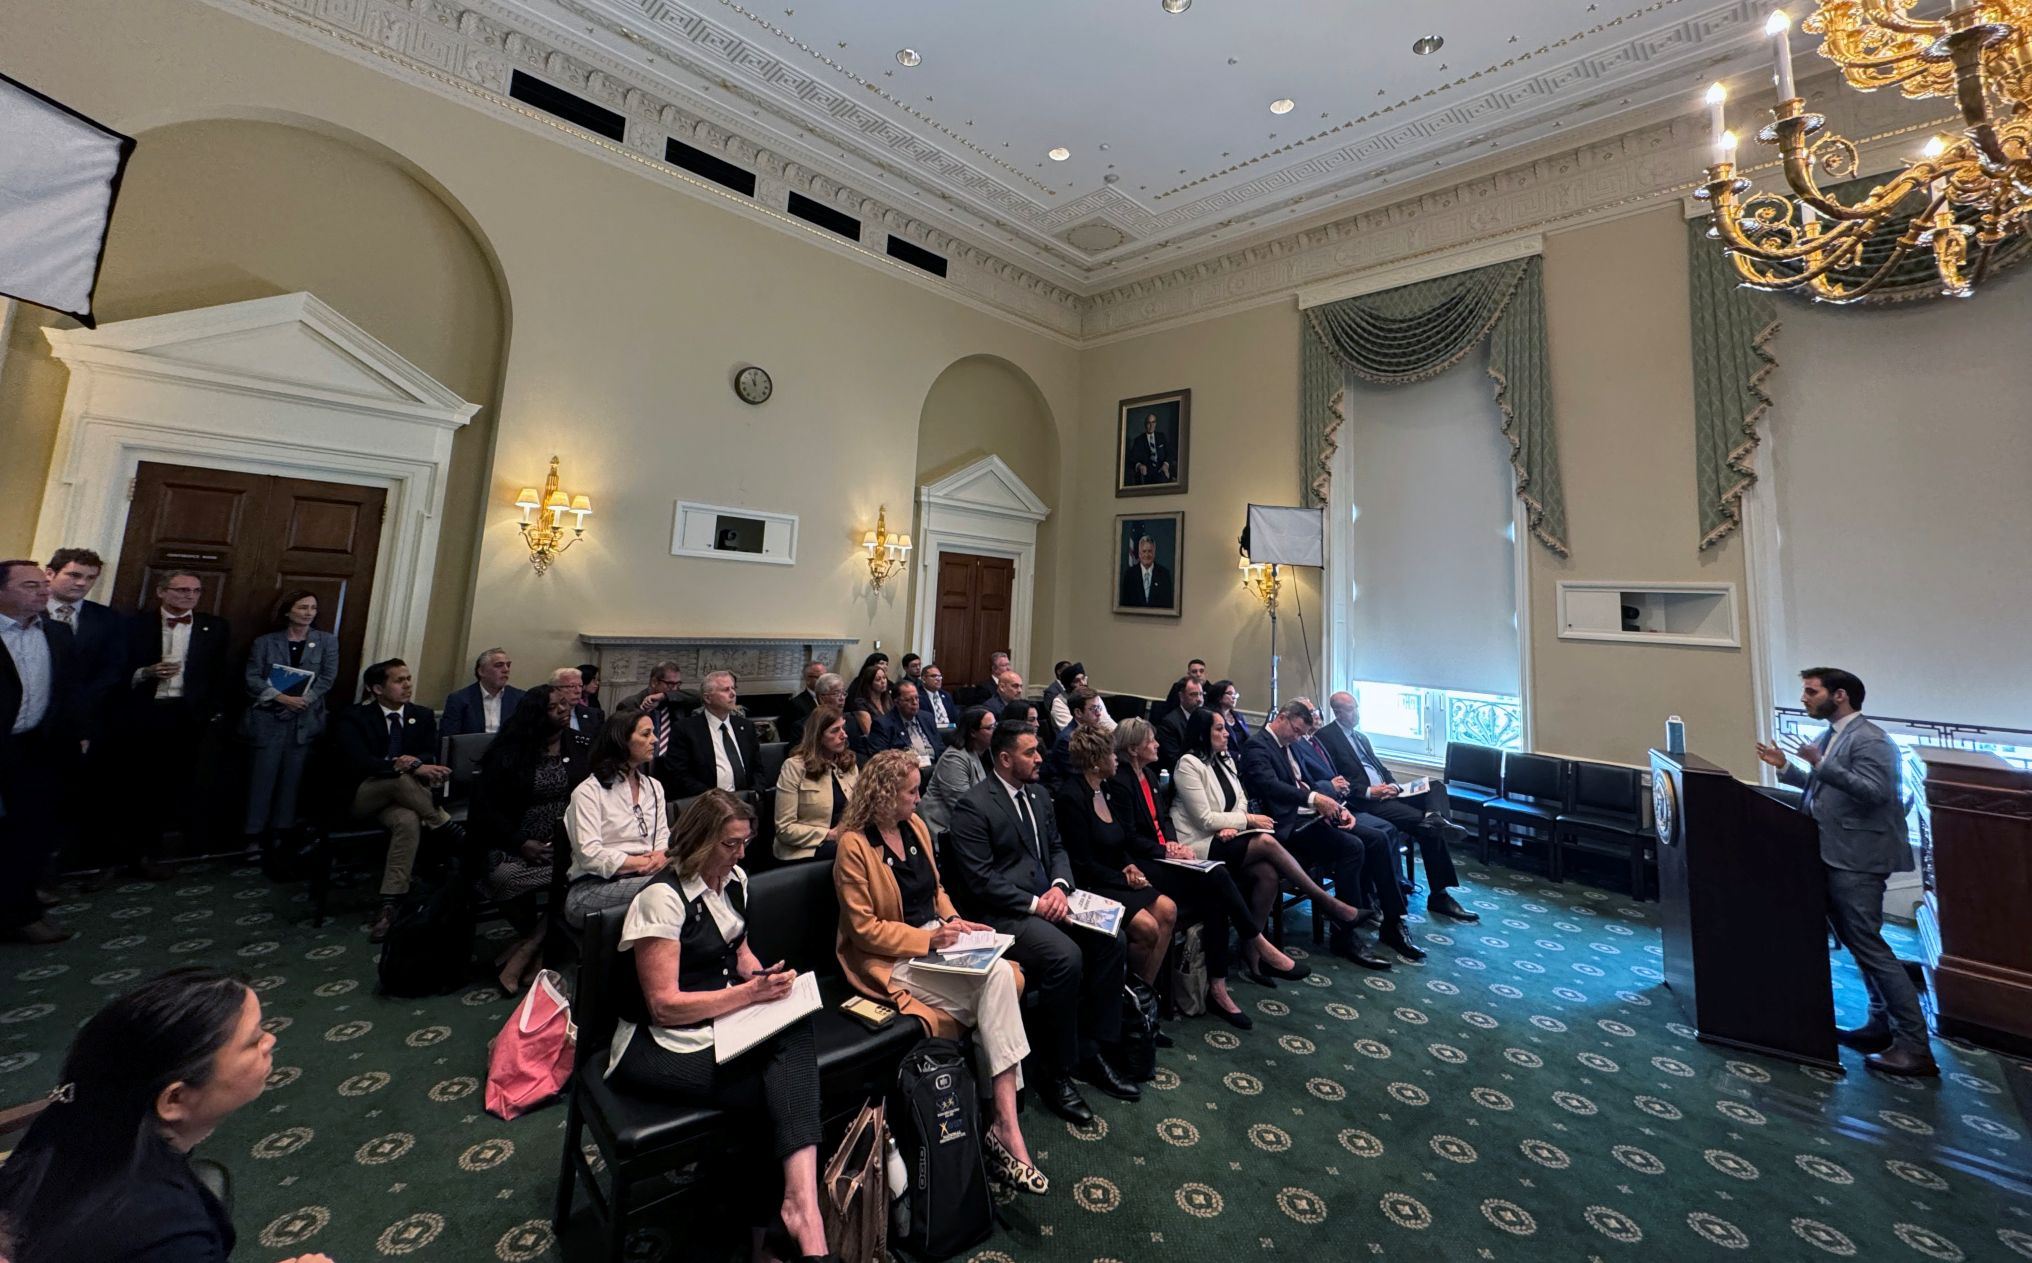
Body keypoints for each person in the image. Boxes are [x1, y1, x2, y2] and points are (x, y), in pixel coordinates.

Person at [604, 791, 833, 1262]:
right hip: (655, 1044)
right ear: (701, 841)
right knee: (777, 1090)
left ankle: (785, 1217)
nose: (742, 854)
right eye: (731, 844)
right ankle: (786, 1223)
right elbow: (663, 1006)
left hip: (718, 1022)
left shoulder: (735, 880)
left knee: (792, 1035)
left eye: (744, 843)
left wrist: (763, 978)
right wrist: (749, 996)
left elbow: (739, 951)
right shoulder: (661, 900)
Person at [0, 967, 333, 1263]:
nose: (270, 1041)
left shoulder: (77, 1108)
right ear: (174, 1099)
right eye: (254, 1041)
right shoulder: (166, 1235)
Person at [833, 751, 1046, 1195]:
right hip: (892, 958)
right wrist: (930, 939)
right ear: (885, 794)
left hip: (935, 944)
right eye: (911, 791)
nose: (920, 798)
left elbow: (937, 892)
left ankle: (998, 1125)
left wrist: (954, 922)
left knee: (1000, 981)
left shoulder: (914, 828)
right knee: (1001, 981)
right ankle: (1004, 1125)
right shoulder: (854, 845)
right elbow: (863, 929)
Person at [944, 723, 1136, 1124]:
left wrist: (1061, 887)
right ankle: (1056, 1070)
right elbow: (980, 880)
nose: (1040, 759)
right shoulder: (974, 806)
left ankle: (1092, 1049)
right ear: (1005, 758)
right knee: (1065, 957)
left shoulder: (1039, 794)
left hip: (1050, 899)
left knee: (1111, 940)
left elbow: (1057, 848)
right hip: (1001, 913)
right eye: (1031, 753)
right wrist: (1036, 903)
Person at [1756, 667, 1934, 1077]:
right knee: (1859, 944)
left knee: (1871, 947)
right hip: (1834, 852)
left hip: (1858, 857)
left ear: (1839, 696)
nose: (1804, 698)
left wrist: (1821, 764)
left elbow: (1876, 795)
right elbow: (1827, 790)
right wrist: (1786, 768)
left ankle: (1915, 1046)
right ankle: (1879, 1024)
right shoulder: (1831, 735)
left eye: (1810, 691)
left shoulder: (1870, 739)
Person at [1111, 718, 1306, 1028]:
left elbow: (1164, 820)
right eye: (1151, 741)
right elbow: (1128, 836)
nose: (1157, 745)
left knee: (1217, 895)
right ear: (1134, 749)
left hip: (1167, 853)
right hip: (1144, 862)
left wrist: (1173, 843)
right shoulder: (1120, 780)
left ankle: (1218, 987)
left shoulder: (1148, 774)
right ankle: (1256, 941)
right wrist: (1166, 850)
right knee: (1217, 877)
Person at [1240, 700, 1420, 968]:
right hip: (1289, 826)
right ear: (1282, 717)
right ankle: (1344, 934)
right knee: (1352, 847)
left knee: (1379, 838)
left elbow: (1311, 782)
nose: (1298, 736)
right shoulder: (1258, 746)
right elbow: (1272, 787)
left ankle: (1393, 922)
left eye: (1302, 733)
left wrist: (1335, 806)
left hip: (1314, 815)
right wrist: (1317, 800)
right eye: (1296, 730)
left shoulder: (1291, 745)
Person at [1316, 691, 1479, 923]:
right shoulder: (1326, 737)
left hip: (1389, 792)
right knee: (1428, 828)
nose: (1357, 714)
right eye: (1352, 709)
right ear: (1338, 712)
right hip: (1366, 802)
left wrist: (1392, 785)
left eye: (1357, 707)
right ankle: (1439, 895)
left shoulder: (1361, 737)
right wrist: (1371, 792)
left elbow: (1381, 769)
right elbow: (1331, 779)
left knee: (1434, 786)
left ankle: (1435, 817)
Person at [327, 658, 457, 942]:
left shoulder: (421, 715)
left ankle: (390, 904)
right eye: (399, 681)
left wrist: (415, 763)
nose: (407, 685)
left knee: (408, 820)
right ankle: (445, 825)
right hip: (363, 795)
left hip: (403, 803)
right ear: (376, 688)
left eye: (408, 679)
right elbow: (358, 762)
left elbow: (427, 753)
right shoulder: (354, 717)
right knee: (396, 777)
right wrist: (407, 766)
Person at [471, 685, 591, 992]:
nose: (565, 711)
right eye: (555, 708)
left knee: (579, 876)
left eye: (566, 705)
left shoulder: (577, 745)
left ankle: (527, 947)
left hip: (565, 844)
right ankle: (538, 945)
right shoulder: (510, 751)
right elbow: (485, 809)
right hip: (515, 842)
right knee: (504, 877)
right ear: (537, 715)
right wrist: (521, 842)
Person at [119, 570, 232, 877]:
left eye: (195, 591)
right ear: (161, 591)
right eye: (181, 590)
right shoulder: (135, 626)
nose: (189, 596)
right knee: (138, 784)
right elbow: (117, 669)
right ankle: (132, 852)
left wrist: (213, 713)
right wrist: (146, 672)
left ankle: (171, 850)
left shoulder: (215, 627)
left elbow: (220, 673)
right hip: (146, 713)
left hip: (189, 715)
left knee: (181, 783)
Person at [1052, 728, 1176, 1001]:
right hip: (1091, 884)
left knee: (1168, 909)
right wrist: (1124, 879)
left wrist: (1130, 867)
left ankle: (1144, 997)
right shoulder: (1071, 797)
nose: (1116, 759)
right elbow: (1081, 863)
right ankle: (1123, 999)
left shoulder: (1105, 789)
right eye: (1110, 753)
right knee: (1147, 928)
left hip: (1116, 875)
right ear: (1096, 760)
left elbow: (1121, 841)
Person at [0, 560, 84, 945]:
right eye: (30, 585)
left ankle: (21, 910)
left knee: (30, 831)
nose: (43, 591)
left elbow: (67, 692)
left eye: (43, 584)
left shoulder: (58, 633)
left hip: (36, 747)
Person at [239, 589, 340, 855]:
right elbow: (252, 678)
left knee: (292, 780)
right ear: (287, 611)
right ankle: (254, 835)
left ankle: (281, 833)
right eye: (302, 607)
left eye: (313, 608)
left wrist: (302, 701)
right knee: (261, 779)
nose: (308, 613)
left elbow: (327, 678)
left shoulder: (326, 641)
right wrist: (282, 698)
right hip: (268, 717)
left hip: (304, 720)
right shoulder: (265, 643)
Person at [565, 710, 673, 928]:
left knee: (701, 876)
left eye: (653, 733)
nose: (654, 740)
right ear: (621, 741)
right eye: (645, 734)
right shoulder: (588, 792)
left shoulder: (654, 787)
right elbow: (591, 856)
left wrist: (662, 855)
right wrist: (645, 862)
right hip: (593, 887)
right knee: (670, 887)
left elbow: (663, 837)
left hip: (647, 876)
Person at [42, 548, 126, 720]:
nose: (82, 583)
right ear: (50, 574)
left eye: (90, 578)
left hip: (78, 716)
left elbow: (111, 669)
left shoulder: (108, 618)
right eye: (74, 575)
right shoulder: (27, 612)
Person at [656, 670, 762, 800]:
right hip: (708, 803)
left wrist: (756, 792)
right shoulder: (686, 729)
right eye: (725, 690)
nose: (733, 694)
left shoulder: (746, 727)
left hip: (747, 800)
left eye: (733, 688)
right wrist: (714, 798)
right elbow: (679, 774)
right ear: (707, 698)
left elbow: (757, 768)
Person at [773, 706, 858, 862]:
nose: (844, 735)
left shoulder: (848, 763)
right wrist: (829, 834)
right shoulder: (794, 767)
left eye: (843, 729)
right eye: (835, 731)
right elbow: (785, 828)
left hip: (846, 839)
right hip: (806, 848)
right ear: (818, 736)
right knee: (854, 851)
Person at [920, 706, 993, 836]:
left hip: (969, 825)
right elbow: (965, 805)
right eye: (989, 728)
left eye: (995, 726)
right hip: (941, 829)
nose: (995, 731)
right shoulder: (953, 759)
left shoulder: (987, 753)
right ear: (973, 732)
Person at [441, 647, 522, 737]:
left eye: (508, 665)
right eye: (499, 665)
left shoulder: (520, 698)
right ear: (481, 671)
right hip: (472, 749)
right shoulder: (460, 699)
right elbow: (449, 739)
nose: (506, 670)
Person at [616, 660, 688, 760]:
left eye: (678, 684)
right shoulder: (630, 704)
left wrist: (664, 695)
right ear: (654, 682)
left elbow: (699, 696)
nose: (675, 689)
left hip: (671, 764)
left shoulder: (677, 702)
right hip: (642, 764)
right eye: (670, 684)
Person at [1043, 686, 1109, 786]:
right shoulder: (1067, 740)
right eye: (1094, 709)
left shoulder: (1095, 732)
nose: (1099, 713)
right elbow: (1079, 777)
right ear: (1078, 713)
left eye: (1099, 708)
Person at [871, 679, 940, 769]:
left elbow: (939, 746)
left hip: (935, 768)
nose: (915, 703)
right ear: (897, 702)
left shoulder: (927, 717)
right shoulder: (883, 725)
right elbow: (880, 761)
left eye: (917, 698)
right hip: (908, 773)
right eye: (908, 700)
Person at [843, 660, 891, 758]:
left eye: (884, 678)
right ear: (869, 683)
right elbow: (868, 732)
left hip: (891, 742)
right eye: (878, 679)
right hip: (875, 747)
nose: (883, 682)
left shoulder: (888, 700)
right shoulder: (860, 703)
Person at [1155, 678, 1203, 772]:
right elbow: (1174, 760)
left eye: (1201, 694)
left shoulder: (1205, 718)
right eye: (1193, 694)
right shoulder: (1169, 723)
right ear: (1181, 696)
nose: (1199, 699)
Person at [776, 660, 828, 745]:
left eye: (826, 677)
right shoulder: (795, 704)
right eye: (819, 677)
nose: (824, 681)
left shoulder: (831, 699)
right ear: (807, 679)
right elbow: (791, 736)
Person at [1117, 533, 1174, 609]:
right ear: (1139, 554)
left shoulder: (1164, 574)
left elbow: (1168, 604)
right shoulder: (1130, 575)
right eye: (1144, 551)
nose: (1147, 555)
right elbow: (1125, 604)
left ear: (1154, 553)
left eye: (1150, 551)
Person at [1153, 658, 1209, 724]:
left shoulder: (1212, 690)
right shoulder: (1178, 687)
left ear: (1206, 673)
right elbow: (1170, 708)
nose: (1198, 674)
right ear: (1189, 674)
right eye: (1194, 671)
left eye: (1201, 671)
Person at [1126, 410, 1172, 486]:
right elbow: (1132, 458)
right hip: (1147, 473)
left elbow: (1170, 452)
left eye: (1153, 422)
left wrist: (1166, 464)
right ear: (1145, 424)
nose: (1151, 425)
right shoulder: (1139, 440)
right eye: (1148, 423)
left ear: (1156, 424)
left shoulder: (1161, 436)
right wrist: (1139, 465)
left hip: (1161, 470)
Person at [551, 666, 599, 734]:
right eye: (572, 686)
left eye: (580, 686)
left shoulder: (593, 715)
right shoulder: (545, 715)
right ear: (555, 689)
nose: (578, 691)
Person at [1207, 679, 1250, 751]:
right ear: (1219, 697)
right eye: (1230, 693)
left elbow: (1247, 739)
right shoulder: (1213, 717)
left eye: (1235, 694)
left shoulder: (1238, 716)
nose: (1234, 697)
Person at [1038, 660, 1073, 744]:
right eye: (1068, 669)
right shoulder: (1051, 691)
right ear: (1059, 672)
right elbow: (1051, 715)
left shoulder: (1070, 688)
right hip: (1059, 731)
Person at [919, 663, 959, 730]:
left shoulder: (946, 695)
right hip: (931, 731)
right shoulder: (918, 696)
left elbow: (954, 717)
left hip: (950, 731)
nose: (938, 679)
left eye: (940, 676)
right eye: (933, 676)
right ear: (923, 679)